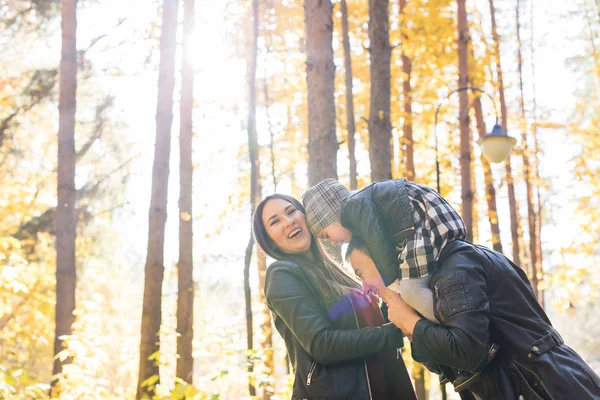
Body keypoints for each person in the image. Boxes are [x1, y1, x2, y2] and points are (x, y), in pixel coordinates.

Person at [304, 178, 600, 399]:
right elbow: (442, 362)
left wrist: (409, 322)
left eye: (360, 272)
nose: (364, 283)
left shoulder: (455, 267)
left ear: (376, 249)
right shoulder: (433, 277)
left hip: (547, 387)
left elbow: (467, 352)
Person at [253, 193, 417, 400]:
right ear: (270, 242)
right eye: (275, 221)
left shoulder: (337, 273)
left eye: (291, 211)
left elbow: (365, 322)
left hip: (384, 383)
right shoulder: (282, 274)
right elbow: (322, 345)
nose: (288, 221)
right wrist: (399, 330)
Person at [302, 178, 462, 323]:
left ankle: (452, 324)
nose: (334, 242)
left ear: (332, 215)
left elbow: (376, 240)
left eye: (327, 235)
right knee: (412, 287)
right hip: (429, 222)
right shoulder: (362, 206)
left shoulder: (353, 206)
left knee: (410, 290)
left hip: (427, 220)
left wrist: (390, 280)